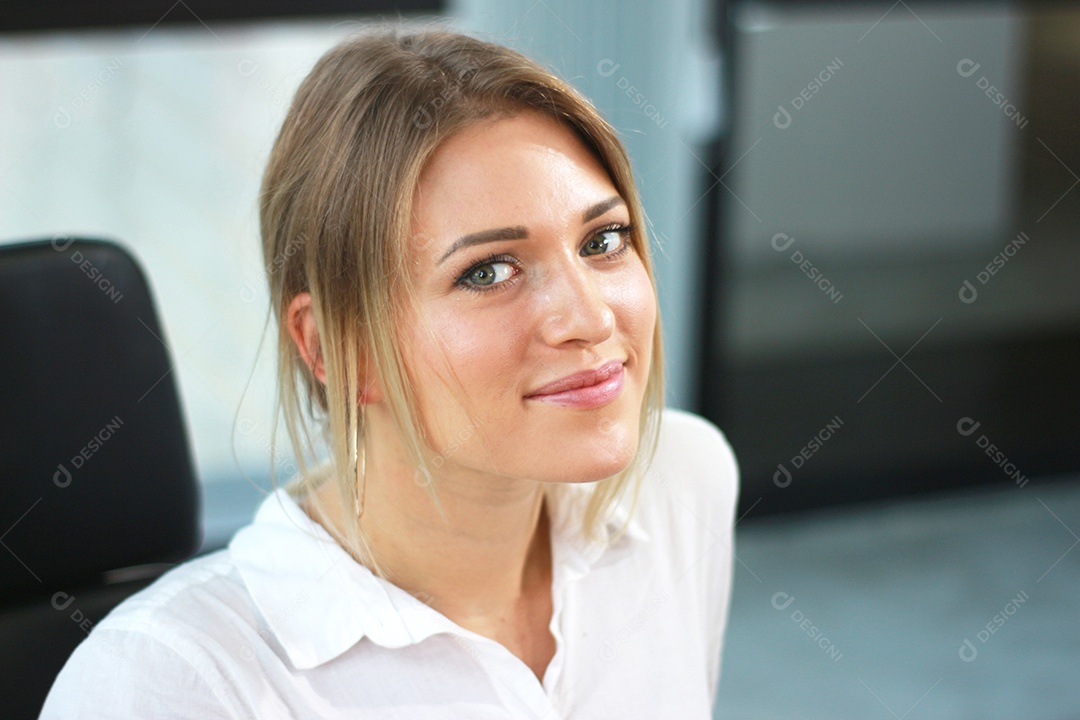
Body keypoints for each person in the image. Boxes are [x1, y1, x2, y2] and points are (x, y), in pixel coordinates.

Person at [41, 26, 739, 719]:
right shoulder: (162, 682)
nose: (588, 318)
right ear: (340, 350)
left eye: (602, 240)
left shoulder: (682, 484)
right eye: (488, 272)